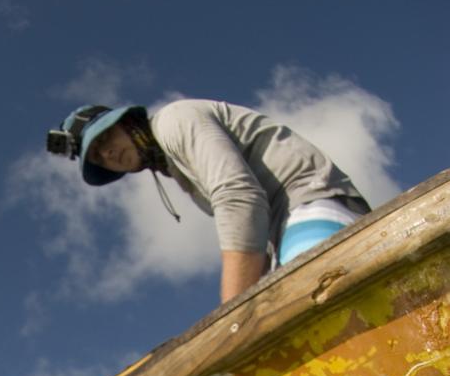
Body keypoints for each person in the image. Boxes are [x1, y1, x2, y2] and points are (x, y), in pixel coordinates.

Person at [48, 100, 371, 304]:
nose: (107, 153)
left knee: (311, 297)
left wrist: (232, 314)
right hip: (282, 237)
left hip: (312, 201)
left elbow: (239, 197)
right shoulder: (174, 166)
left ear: (126, 123)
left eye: (105, 137)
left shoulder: (174, 120)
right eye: (96, 155)